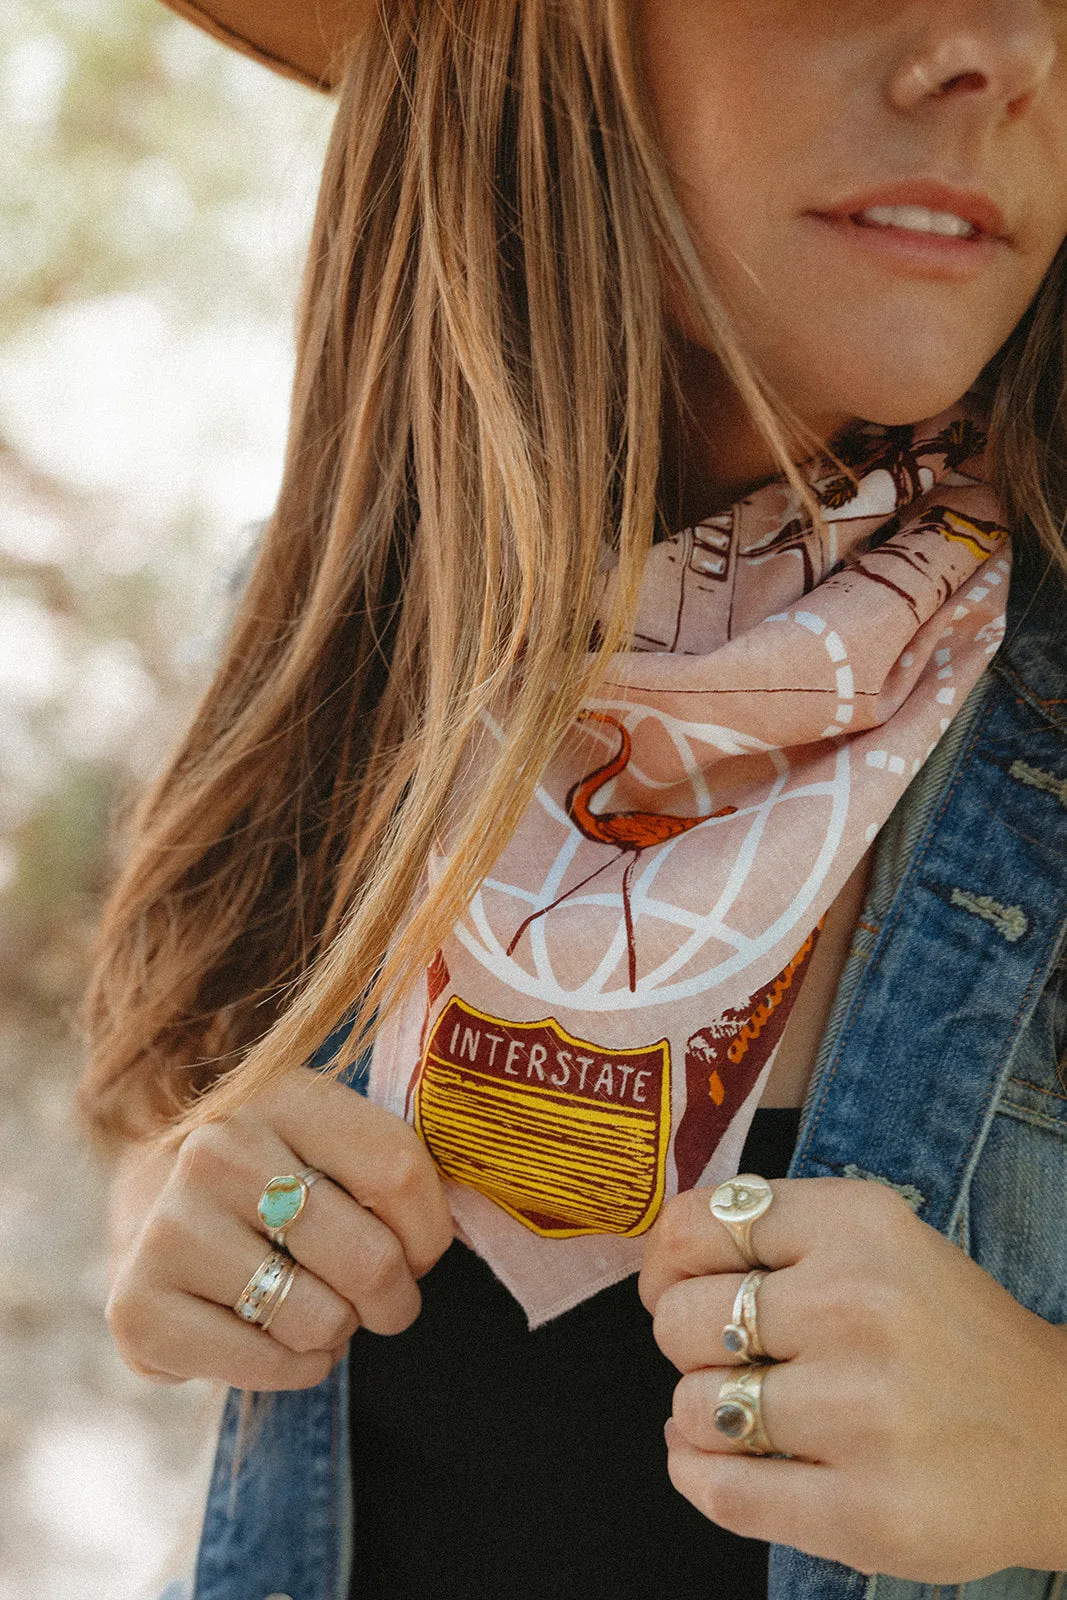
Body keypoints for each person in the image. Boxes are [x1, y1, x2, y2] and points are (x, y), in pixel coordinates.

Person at [77, 3, 1067, 1598]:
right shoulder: (309, 622)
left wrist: (1050, 1449)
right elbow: (163, 1112)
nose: (998, 52)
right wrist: (179, 1224)